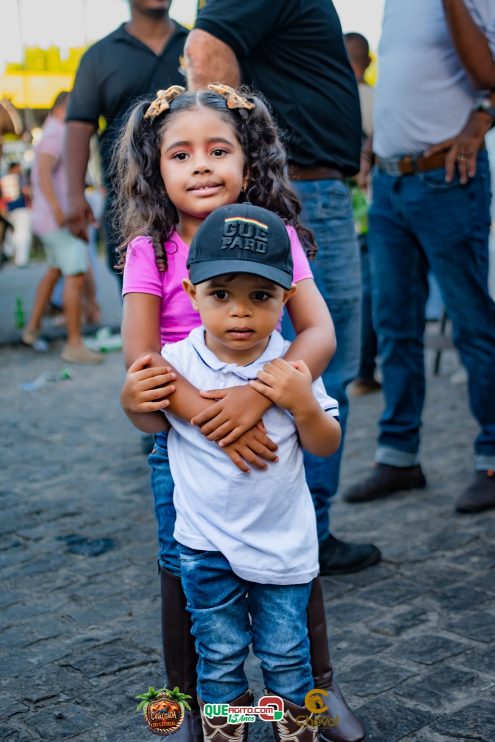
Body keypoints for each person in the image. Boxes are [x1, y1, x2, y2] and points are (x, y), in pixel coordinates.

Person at [118, 87, 366, 742]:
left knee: (293, 552)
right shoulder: (154, 249)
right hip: (185, 441)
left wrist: (257, 394)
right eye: (181, 153)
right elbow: (142, 357)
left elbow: (317, 334)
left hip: (273, 424)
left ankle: (316, 688)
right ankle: (193, 703)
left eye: (217, 149)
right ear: (156, 167)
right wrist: (207, 415)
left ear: (247, 161)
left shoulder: (279, 237)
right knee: (184, 563)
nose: (200, 165)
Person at [184, 0, 381, 576]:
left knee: (302, 357)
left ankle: (293, 529)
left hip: (309, 186)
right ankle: (301, 533)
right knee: (301, 357)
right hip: (298, 190)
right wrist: (236, 169)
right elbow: (206, 51)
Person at [343, 0, 495, 514]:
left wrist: (478, 125)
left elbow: (489, 74)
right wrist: (376, 150)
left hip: (447, 181)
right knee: (393, 326)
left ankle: (493, 458)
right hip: (389, 183)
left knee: (473, 324)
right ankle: (398, 455)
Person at [65, 0, 188, 286]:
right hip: (130, 201)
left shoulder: (195, 44)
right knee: (140, 297)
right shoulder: (99, 56)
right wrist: (73, 195)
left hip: (195, 196)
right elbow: (79, 127)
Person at [22, 92, 102, 364]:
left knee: (56, 270)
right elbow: (44, 172)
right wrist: (59, 211)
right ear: (64, 108)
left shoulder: (50, 131)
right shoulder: (58, 133)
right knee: (75, 274)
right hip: (57, 218)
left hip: (48, 217)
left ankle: (32, 328)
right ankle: (74, 343)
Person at [344, 33, 381, 397]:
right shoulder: (374, 99)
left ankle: (350, 370)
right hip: (370, 211)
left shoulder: (331, 99)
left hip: (338, 211)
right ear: (367, 62)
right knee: (369, 290)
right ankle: (364, 370)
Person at [0, 161, 32, 268]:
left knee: (9, 234)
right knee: (22, 234)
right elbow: (26, 192)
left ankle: (8, 255)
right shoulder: (20, 178)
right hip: (19, 208)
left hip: (6, 210)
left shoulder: (3, 177)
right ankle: (20, 259)